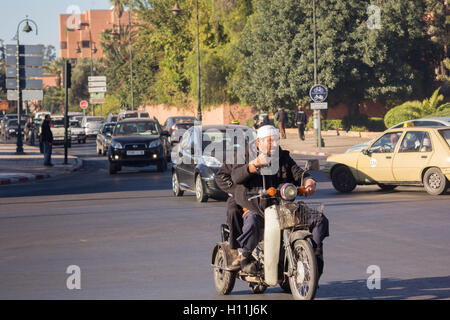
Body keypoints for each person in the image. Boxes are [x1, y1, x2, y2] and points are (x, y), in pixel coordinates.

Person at [217, 125, 329, 277]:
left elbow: (297, 172)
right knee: (252, 222)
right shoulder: (245, 155)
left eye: (276, 140)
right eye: (271, 141)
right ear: (259, 142)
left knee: (319, 219)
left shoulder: (282, 156)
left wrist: (308, 181)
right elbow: (236, 177)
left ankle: (314, 252)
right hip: (255, 204)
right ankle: (244, 255)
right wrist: (254, 165)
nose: (275, 144)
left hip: (283, 205)